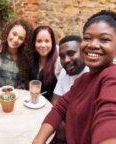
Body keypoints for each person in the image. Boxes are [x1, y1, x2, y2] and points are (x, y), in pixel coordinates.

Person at [32, 10, 116, 144]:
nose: (93, 44)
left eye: (104, 39)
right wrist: (38, 140)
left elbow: (109, 117)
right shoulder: (83, 80)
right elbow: (59, 108)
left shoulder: (111, 77)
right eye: (87, 38)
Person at [0, 19, 33, 90]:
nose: (16, 40)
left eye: (21, 38)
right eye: (14, 34)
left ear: (24, 41)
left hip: (14, 96)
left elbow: (23, 82)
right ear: (8, 31)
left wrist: (13, 93)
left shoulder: (24, 58)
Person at [51, 35, 89, 106]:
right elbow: (55, 100)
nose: (66, 60)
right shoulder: (64, 72)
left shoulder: (92, 74)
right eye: (62, 56)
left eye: (71, 54)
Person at [30, 26, 58, 102]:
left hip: (49, 107)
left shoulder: (58, 63)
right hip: (32, 103)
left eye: (47, 41)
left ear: (52, 42)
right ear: (34, 42)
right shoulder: (32, 58)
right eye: (39, 41)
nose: (43, 45)